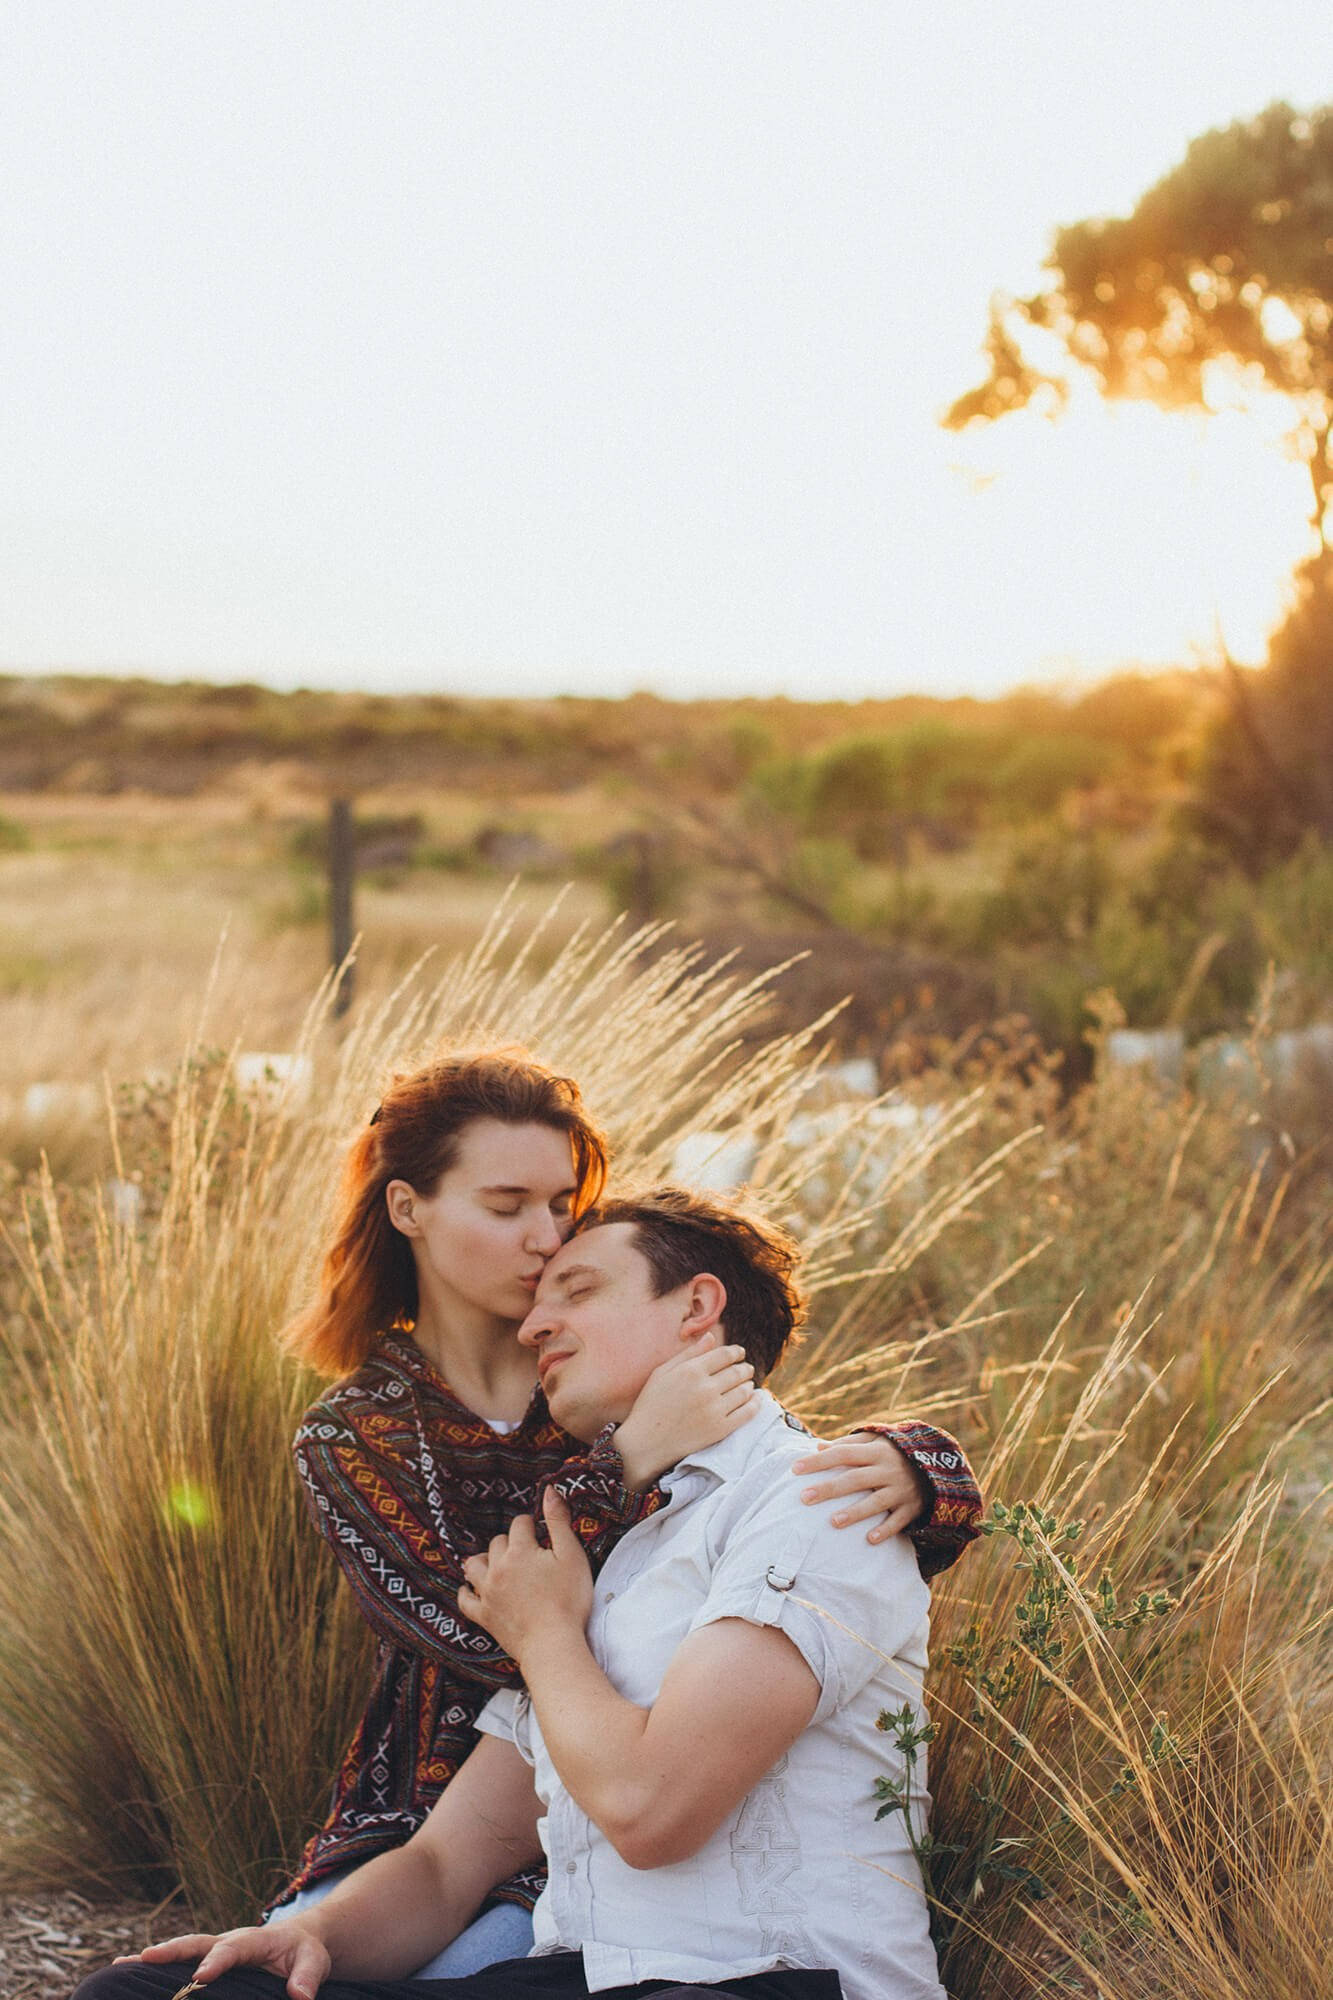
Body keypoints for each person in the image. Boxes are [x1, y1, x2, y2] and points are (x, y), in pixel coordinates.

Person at [81, 1186, 950, 2000]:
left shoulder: (819, 1498)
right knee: (143, 1993)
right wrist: (309, 1936)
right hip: (581, 1976)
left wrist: (542, 1635)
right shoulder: (599, 1549)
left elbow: (652, 1812)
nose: (534, 1324)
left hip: (759, 1979)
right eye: (538, 1301)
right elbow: (448, 1864)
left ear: (695, 1307)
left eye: (578, 1290)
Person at [271, 1052, 981, 1973]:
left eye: (561, 1206)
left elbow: (763, 1473)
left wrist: (921, 1466)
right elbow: (498, 1623)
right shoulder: (359, 1430)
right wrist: (628, 1461)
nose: (544, 1237)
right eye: (507, 1207)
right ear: (409, 1209)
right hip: (427, 1813)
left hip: (590, 1827)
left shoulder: (603, 1371)